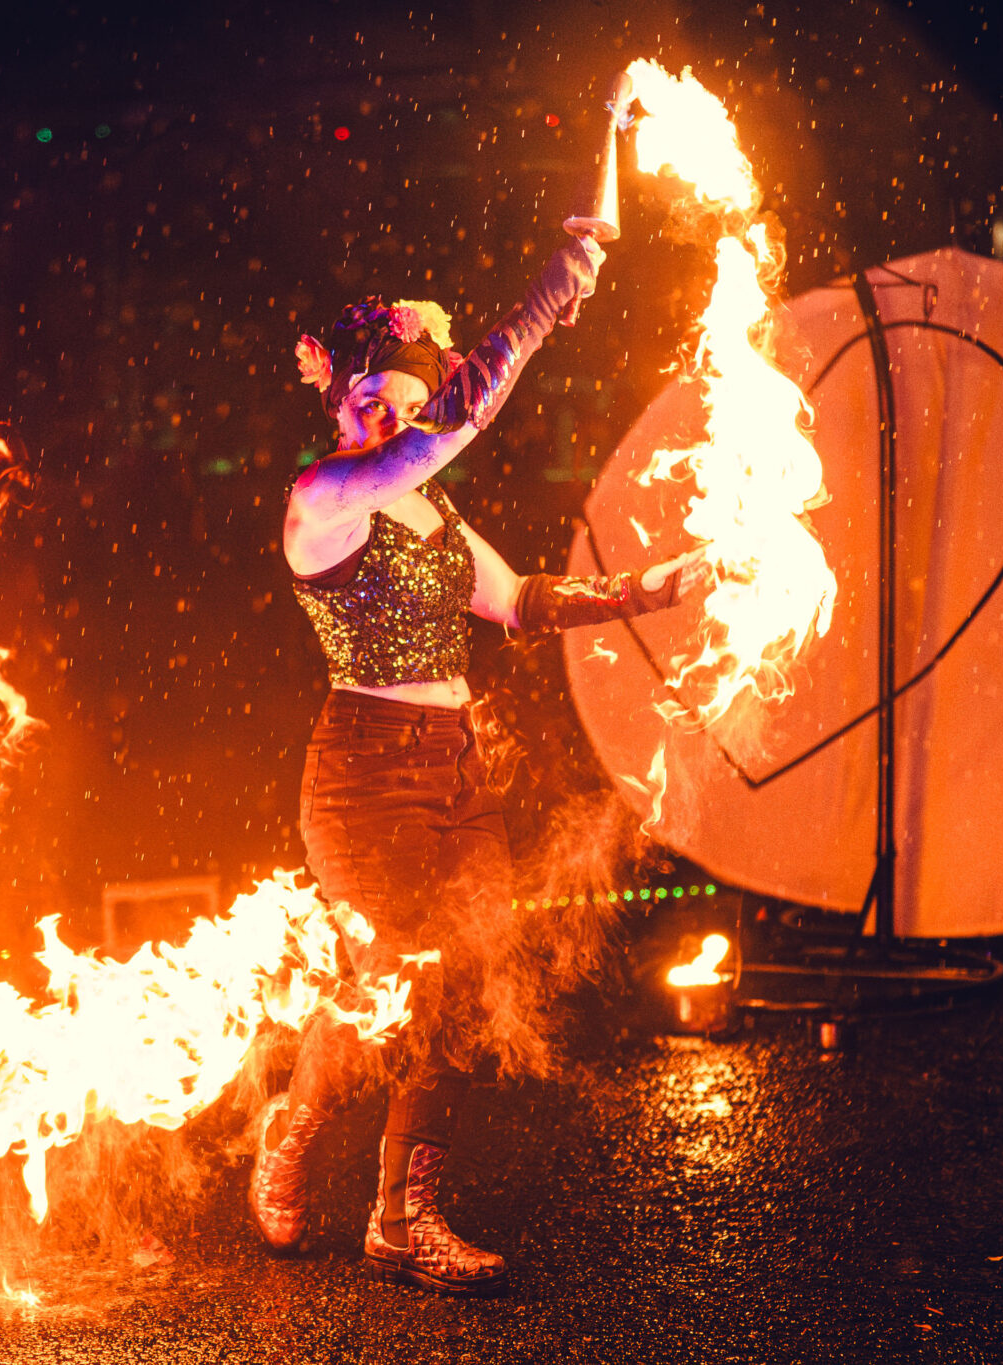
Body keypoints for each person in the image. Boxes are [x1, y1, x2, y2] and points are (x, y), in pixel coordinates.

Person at [248, 234, 709, 1295]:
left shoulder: (434, 511)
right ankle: (293, 1128)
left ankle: (403, 1219)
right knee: (385, 982)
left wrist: (658, 585)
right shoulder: (324, 497)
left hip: (455, 773)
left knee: (464, 983)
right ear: (339, 401)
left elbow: (521, 602)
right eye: (371, 398)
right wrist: (549, 298)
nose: (390, 417)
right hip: (364, 777)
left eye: (405, 402)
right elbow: (460, 424)